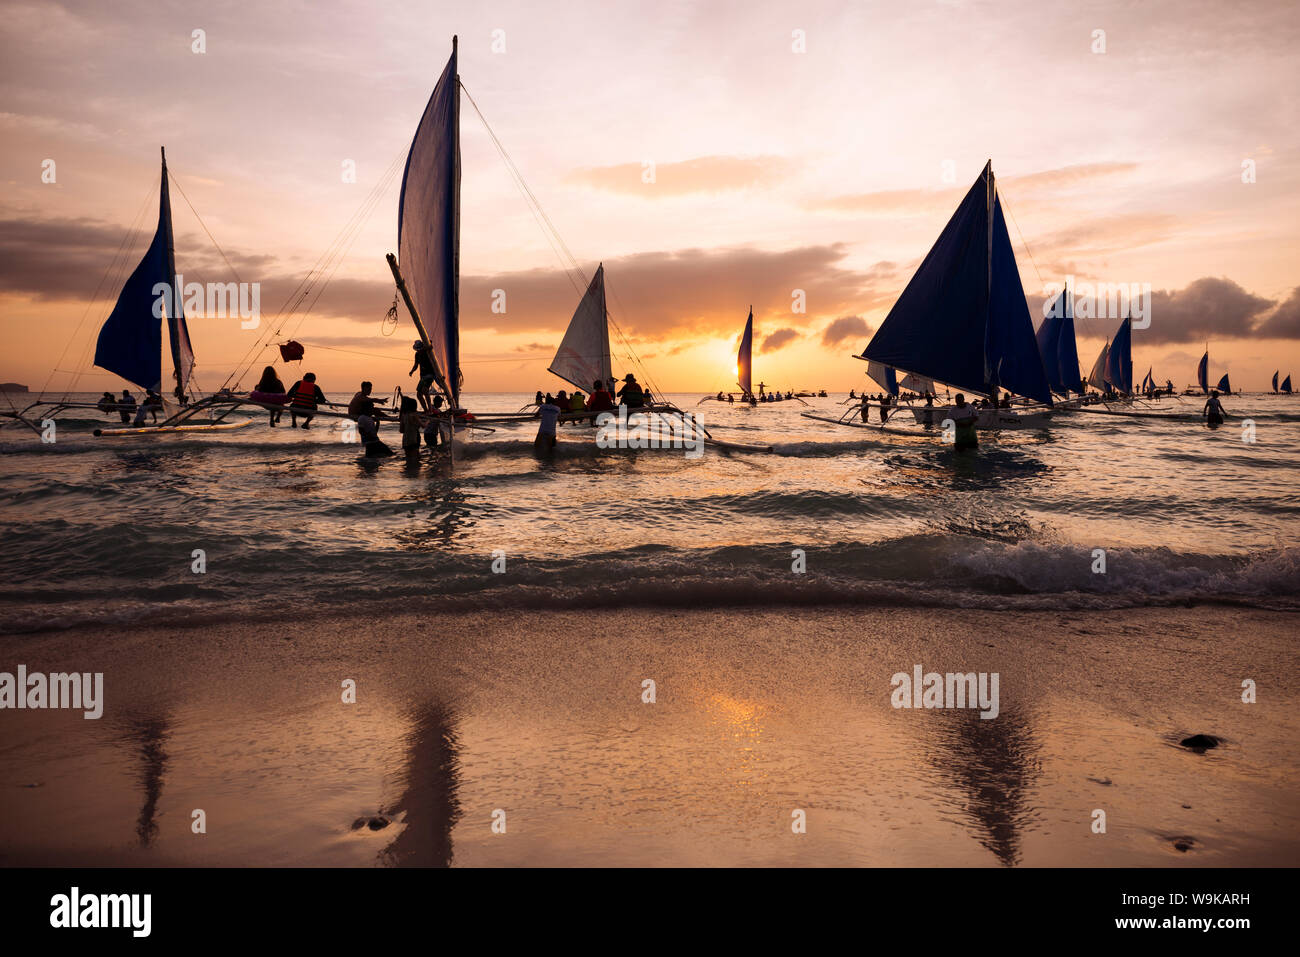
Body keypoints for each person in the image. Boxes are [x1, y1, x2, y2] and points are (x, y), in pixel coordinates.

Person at [409, 340, 436, 412]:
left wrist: (426, 345)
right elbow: (416, 365)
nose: (418, 351)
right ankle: (426, 410)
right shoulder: (417, 354)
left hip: (430, 375)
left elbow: (430, 345)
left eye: (419, 349)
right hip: (423, 376)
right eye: (417, 349)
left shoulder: (427, 352)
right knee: (419, 394)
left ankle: (430, 409)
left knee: (425, 390)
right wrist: (412, 371)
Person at [399, 396, 423, 463]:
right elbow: (423, 426)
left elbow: (401, 430)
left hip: (405, 440)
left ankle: (408, 472)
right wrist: (428, 421)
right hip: (413, 438)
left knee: (408, 459)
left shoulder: (403, 415)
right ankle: (414, 472)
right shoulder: (414, 415)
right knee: (416, 459)